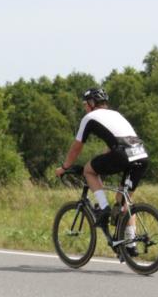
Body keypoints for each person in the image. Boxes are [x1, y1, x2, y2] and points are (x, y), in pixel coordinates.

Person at [55, 88, 149, 255]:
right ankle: (130, 245)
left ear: (91, 103)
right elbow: (115, 141)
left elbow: (77, 147)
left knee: (89, 170)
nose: (85, 108)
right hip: (141, 154)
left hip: (123, 154)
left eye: (85, 104)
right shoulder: (116, 114)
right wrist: (107, 161)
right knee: (124, 200)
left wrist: (65, 167)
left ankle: (103, 208)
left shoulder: (89, 118)